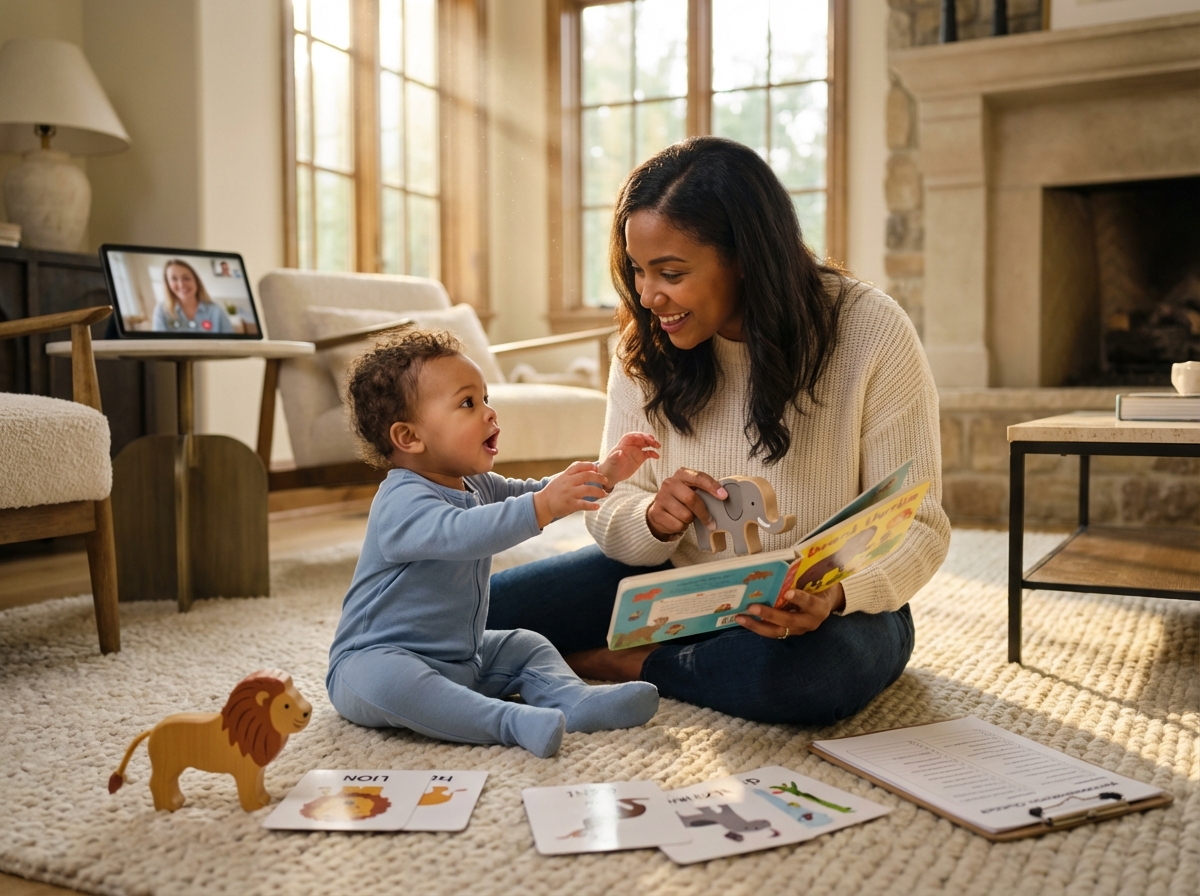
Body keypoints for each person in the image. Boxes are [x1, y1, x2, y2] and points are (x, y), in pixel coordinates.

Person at [487, 136, 951, 726]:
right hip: (672, 585)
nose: (649, 295)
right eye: (637, 269)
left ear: (745, 258)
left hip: (832, 606)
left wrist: (834, 597)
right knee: (471, 615)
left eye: (671, 272)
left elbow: (920, 523)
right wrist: (653, 516)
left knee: (802, 679)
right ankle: (695, 659)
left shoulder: (871, 330)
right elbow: (609, 508)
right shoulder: (642, 343)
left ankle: (631, 664)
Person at [325, 328, 663, 758]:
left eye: (485, 398)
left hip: (462, 657)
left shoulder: (477, 483)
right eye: (468, 403)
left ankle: (572, 701)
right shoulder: (399, 502)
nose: (489, 412)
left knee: (526, 642)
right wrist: (543, 506)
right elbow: (462, 531)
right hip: (371, 660)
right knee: (395, 680)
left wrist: (605, 473)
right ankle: (508, 721)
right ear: (409, 438)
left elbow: (534, 493)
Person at [151, 259, 234, 333]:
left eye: (186, 278)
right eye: (174, 279)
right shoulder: (161, 310)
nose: (181, 285)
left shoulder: (216, 310)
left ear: (196, 281)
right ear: (168, 284)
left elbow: (231, 345)